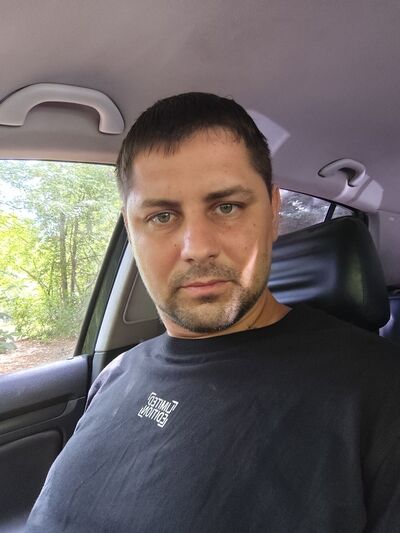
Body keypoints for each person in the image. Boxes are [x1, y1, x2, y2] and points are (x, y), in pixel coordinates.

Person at [26, 93, 400, 532]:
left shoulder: (379, 391)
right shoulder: (117, 374)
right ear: (130, 227)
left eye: (227, 207)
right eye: (162, 216)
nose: (197, 247)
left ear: (274, 212)